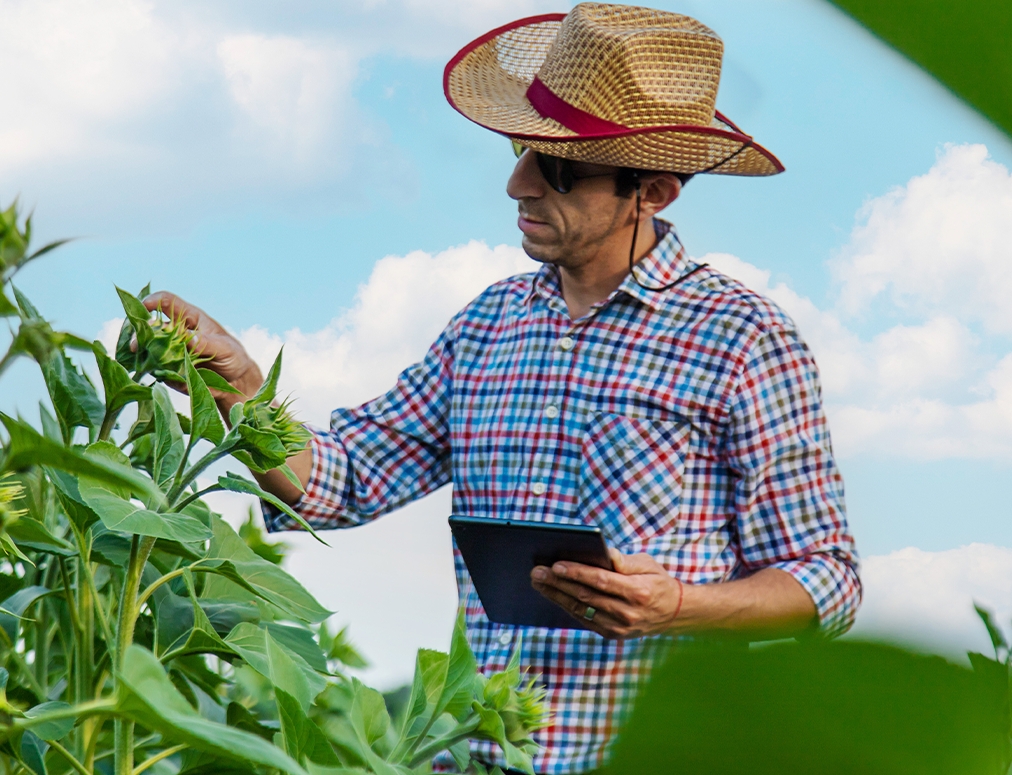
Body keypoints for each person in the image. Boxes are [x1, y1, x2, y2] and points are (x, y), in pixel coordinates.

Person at [144, 4, 860, 773]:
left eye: (557, 167)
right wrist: (243, 388)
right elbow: (340, 481)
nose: (517, 182)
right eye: (524, 149)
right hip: (484, 757)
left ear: (651, 193)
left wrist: (679, 605)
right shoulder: (485, 327)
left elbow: (826, 578)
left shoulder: (744, 339)